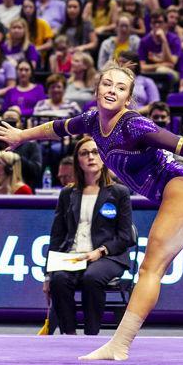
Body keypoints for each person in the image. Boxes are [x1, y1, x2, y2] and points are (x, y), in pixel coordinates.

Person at [0, 61, 183, 360]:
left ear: (129, 98)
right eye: (107, 84)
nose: (112, 90)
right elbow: (57, 128)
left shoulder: (134, 124)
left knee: (152, 267)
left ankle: (119, 344)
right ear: (97, 88)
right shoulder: (90, 121)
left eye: (121, 88)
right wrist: (21, 136)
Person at [44, 136, 134, 335]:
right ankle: (69, 335)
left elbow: (126, 236)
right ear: (78, 160)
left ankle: (90, 336)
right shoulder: (68, 194)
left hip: (108, 256)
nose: (91, 157)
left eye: (95, 152)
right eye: (85, 153)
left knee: (91, 278)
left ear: (103, 157)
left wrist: (101, 251)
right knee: (59, 280)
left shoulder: (119, 192)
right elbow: (57, 236)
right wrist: (47, 274)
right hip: (73, 256)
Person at [0, 106, 42, 191]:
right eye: (6, 121)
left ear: (20, 125)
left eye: (13, 121)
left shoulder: (31, 146)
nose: (10, 125)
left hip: (23, 194)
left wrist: (12, 151)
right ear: (0, 123)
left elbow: (36, 173)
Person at [138, 9, 181, 80]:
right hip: (150, 74)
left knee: (161, 70)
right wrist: (160, 65)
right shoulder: (144, 41)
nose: (157, 25)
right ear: (150, 25)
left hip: (172, 74)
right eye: (154, 22)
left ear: (166, 23)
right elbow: (141, 67)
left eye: (160, 22)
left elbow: (172, 62)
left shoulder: (174, 39)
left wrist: (164, 40)